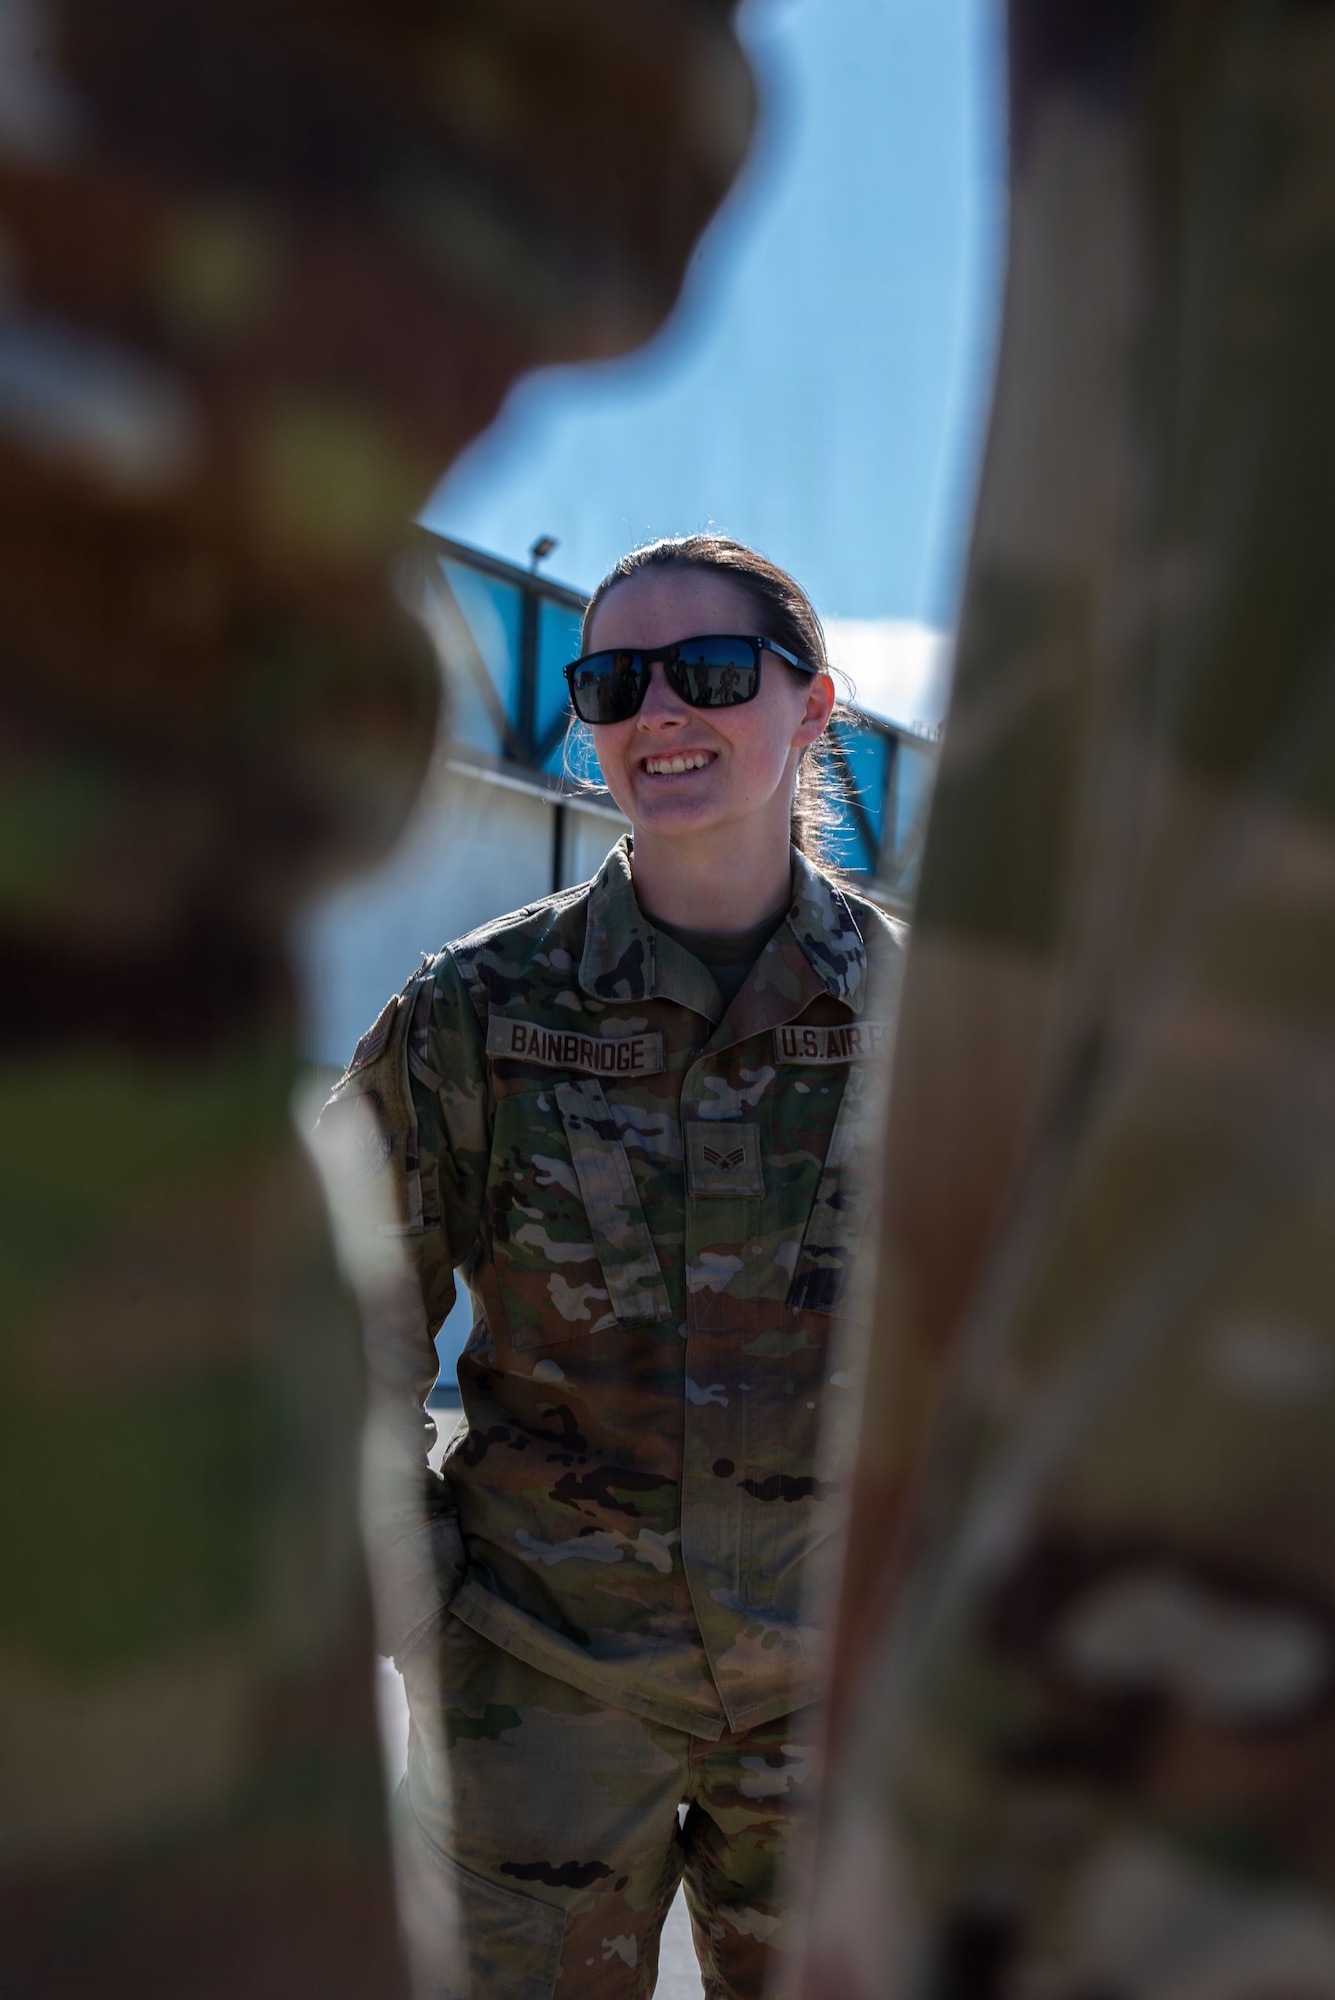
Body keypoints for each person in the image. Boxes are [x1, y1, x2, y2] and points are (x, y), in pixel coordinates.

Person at [321, 535, 908, 1999]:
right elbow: (331, 1319)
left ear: (814, 707)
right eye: (613, 681)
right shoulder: (477, 1011)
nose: (660, 713)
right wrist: (423, 1616)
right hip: (542, 1707)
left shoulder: (935, 1021)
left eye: (710, 673)